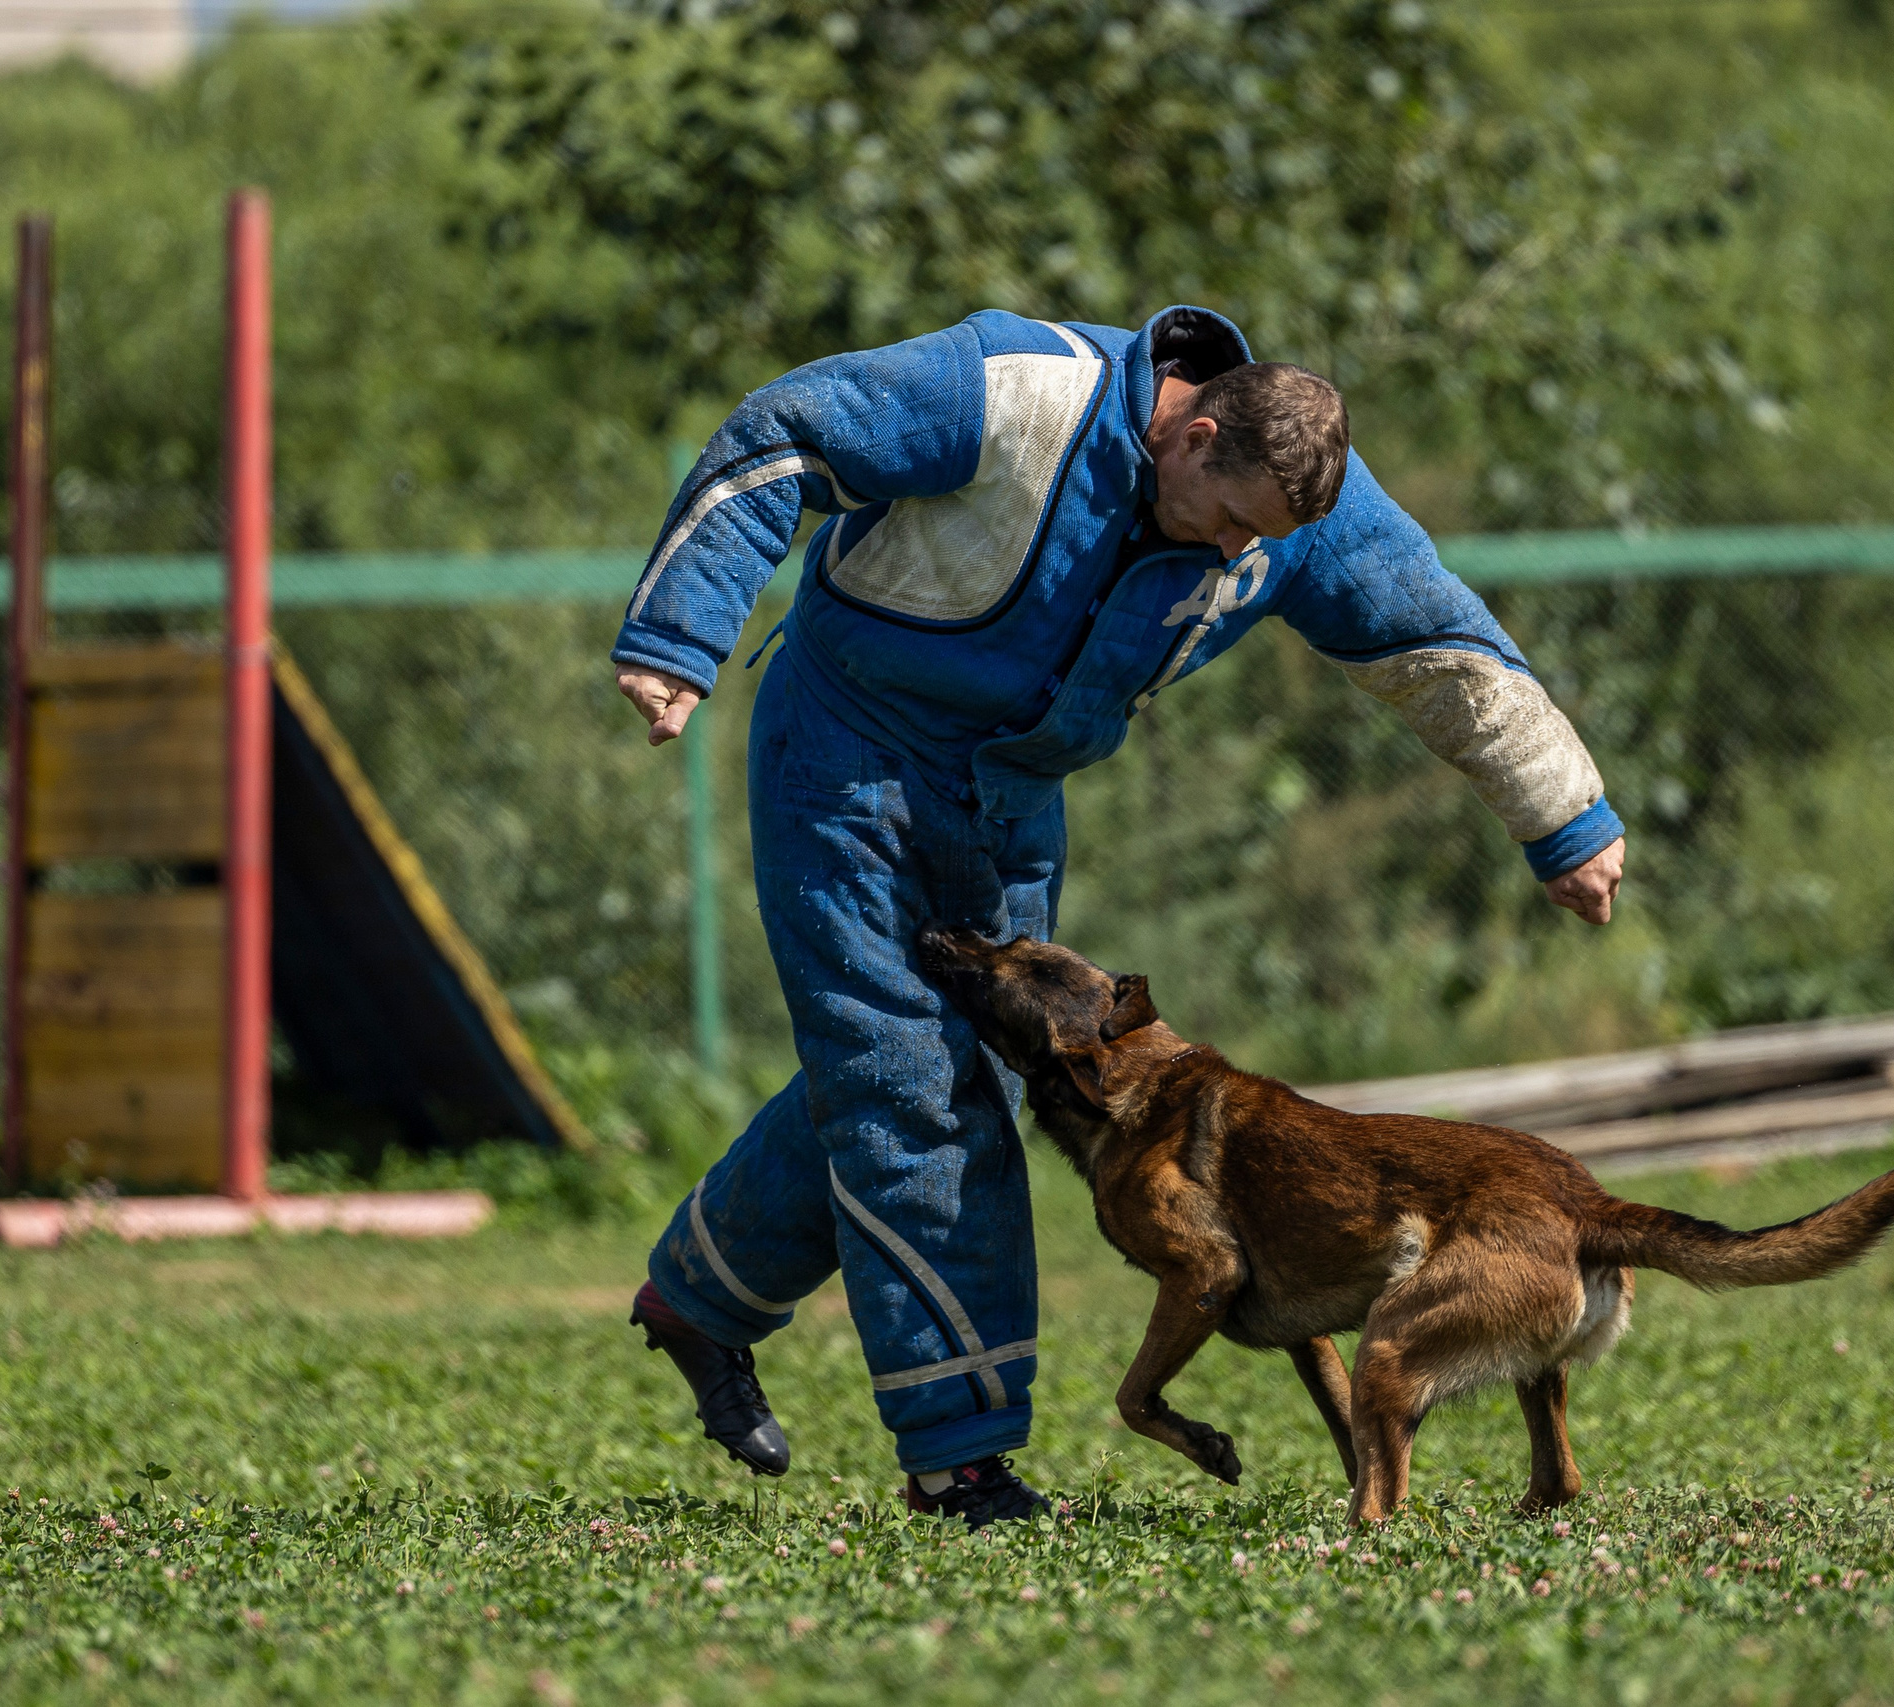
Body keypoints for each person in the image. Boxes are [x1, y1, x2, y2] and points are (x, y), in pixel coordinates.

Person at [613, 306, 1628, 1529]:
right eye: (1231, 518)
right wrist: (681, 636)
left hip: (1011, 791)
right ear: (1191, 435)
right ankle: (960, 1468)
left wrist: (1565, 821)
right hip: (845, 751)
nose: (1236, 555)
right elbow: (785, 435)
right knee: (903, 1080)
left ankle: (699, 1300)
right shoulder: (1009, 387)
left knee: (950, 1078)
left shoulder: (1297, 515)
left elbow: (1436, 643)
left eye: (1266, 541)